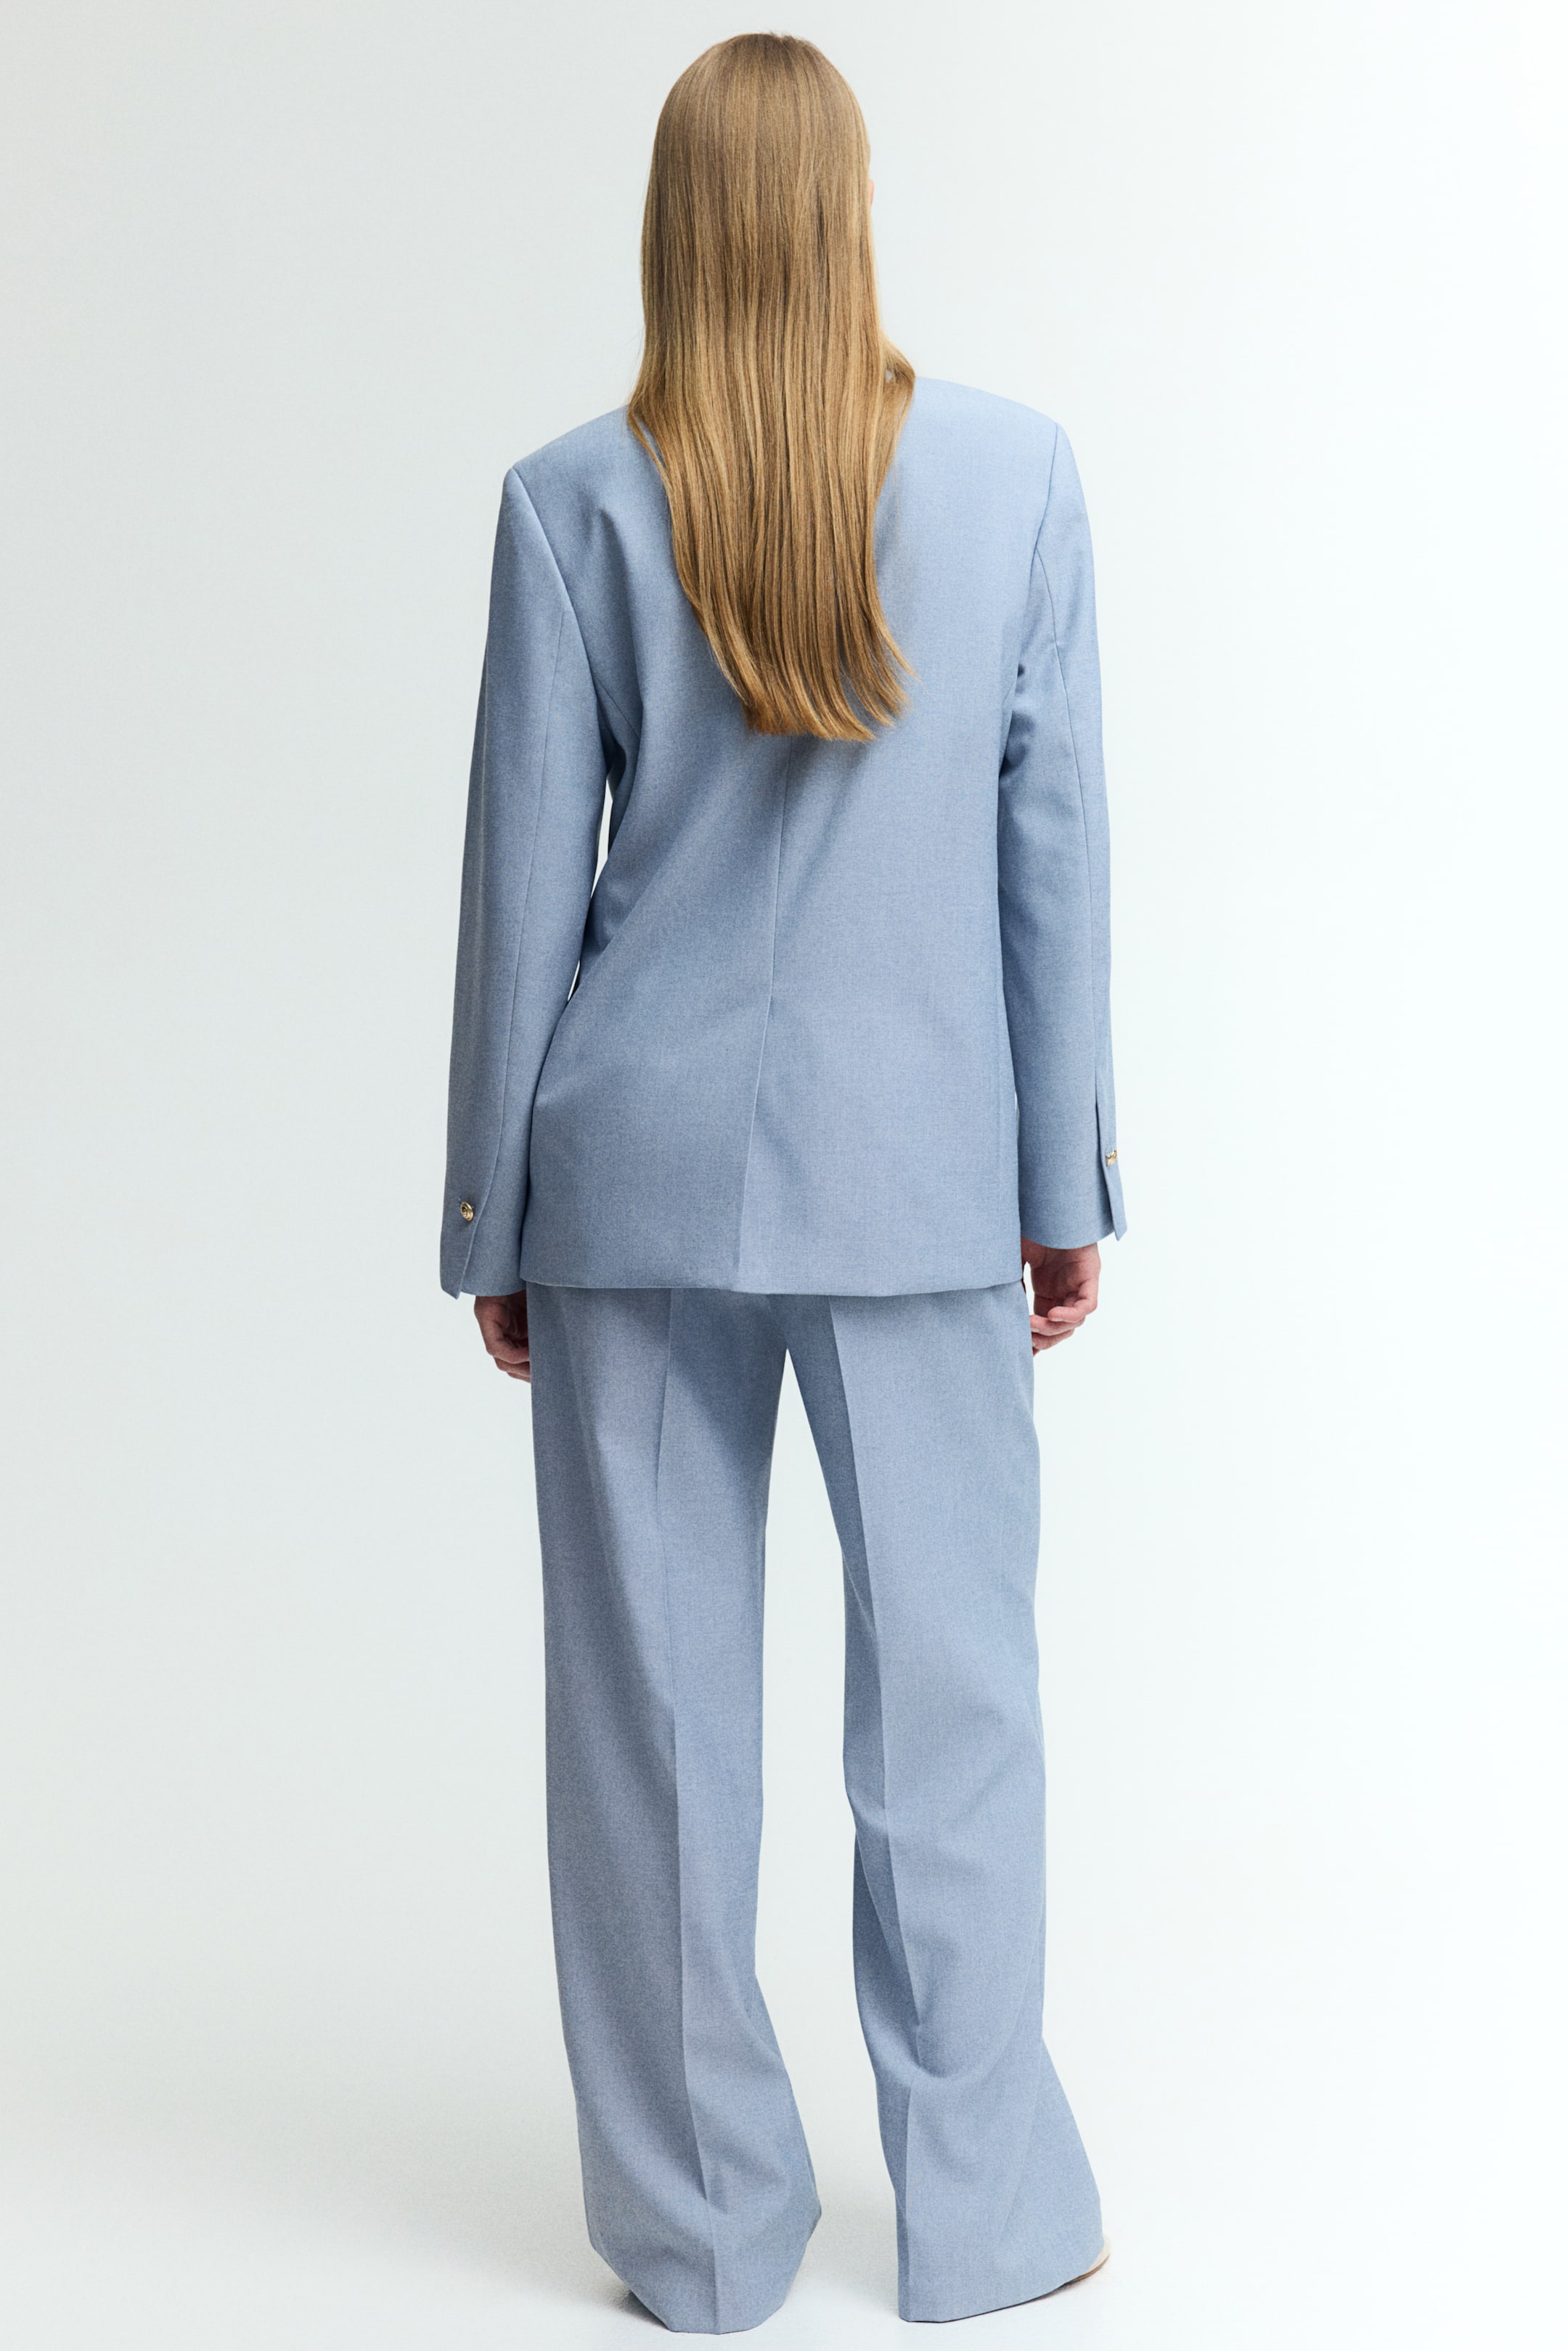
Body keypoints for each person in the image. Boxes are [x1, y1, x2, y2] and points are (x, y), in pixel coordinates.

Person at [441, 32, 1124, 2334]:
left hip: (630, 1177)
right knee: (954, 1715)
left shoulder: (569, 500)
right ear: (852, 206)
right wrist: (1062, 1179)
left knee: (645, 1730)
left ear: (675, 222)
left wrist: (490, 1214)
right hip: (925, 1173)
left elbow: (520, 887)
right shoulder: (1016, 478)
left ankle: (700, 2236)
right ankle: (989, 2218)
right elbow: (1053, 856)